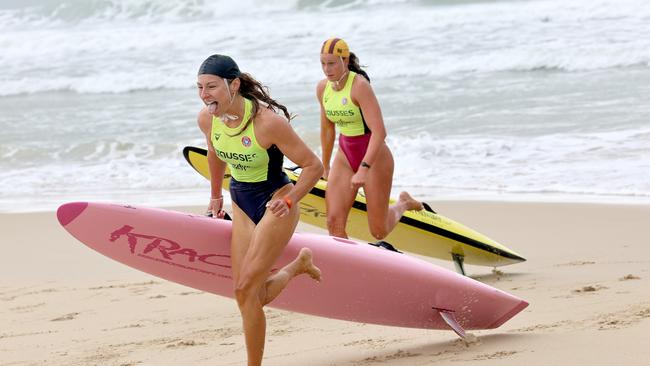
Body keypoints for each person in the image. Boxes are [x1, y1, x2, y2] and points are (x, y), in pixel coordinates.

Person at [196, 54, 323, 366]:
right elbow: (214, 153)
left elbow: (313, 166)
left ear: (234, 85)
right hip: (241, 201)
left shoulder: (267, 124)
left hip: (275, 202)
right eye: (199, 87)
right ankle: (297, 266)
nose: (205, 94)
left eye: (211, 86)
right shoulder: (207, 119)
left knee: (244, 290)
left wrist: (291, 200)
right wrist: (216, 195)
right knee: (247, 297)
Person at [316, 38, 424, 240]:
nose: (326, 69)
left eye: (331, 63)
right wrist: (325, 165)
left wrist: (364, 169)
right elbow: (327, 129)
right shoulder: (323, 89)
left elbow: (380, 131)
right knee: (333, 222)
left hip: (374, 158)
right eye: (323, 63)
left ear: (344, 60)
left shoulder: (359, 86)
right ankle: (346, 269)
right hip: (345, 156)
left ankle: (404, 203)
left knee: (378, 231)